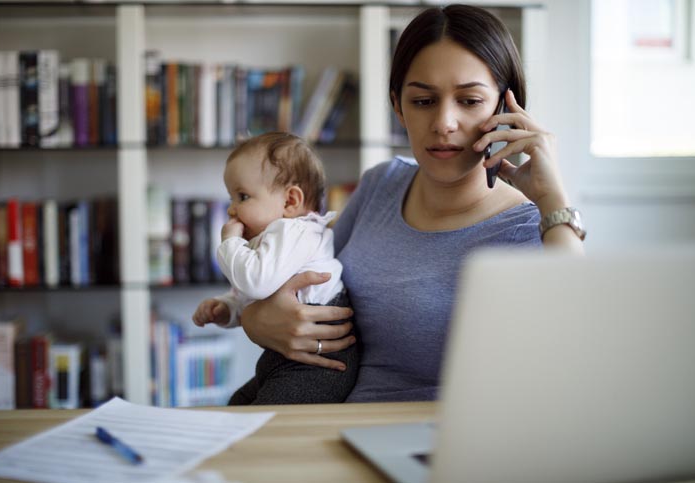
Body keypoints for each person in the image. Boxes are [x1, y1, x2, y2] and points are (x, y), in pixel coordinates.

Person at [199, 4, 586, 403]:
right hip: (335, 426)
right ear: (398, 106)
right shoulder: (381, 184)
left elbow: (577, 353)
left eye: (469, 101)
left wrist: (552, 199)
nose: (444, 123)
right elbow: (301, 272)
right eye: (423, 101)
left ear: (505, 109)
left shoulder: (532, 227)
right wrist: (253, 318)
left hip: (438, 446)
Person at [192, 131, 358, 405]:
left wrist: (230, 242)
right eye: (232, 198)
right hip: (284, 356)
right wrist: (227, 308)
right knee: (237, 404)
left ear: (290, 201)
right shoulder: (273, 238)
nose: (232, 210)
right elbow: (255, 296)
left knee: (265, 421)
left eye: (242, 196)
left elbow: (256, 282)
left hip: (318, 365)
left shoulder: (295, 231)